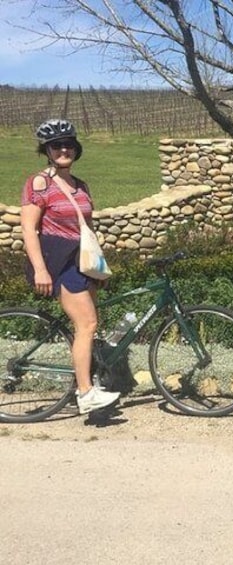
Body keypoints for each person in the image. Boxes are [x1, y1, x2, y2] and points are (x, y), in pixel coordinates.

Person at [20, 118, 120, 415]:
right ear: (46, 151)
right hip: (58, 260)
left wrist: (98, 266)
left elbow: (87, 229)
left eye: (68, 145)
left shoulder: (80, 185)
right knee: (87, 324)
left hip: (82, 261)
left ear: (75, 149)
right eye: (56, 146)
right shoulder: (40, 183)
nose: (63, 150)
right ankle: (86, 393)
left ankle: (88, 381)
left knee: (88, 325)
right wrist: (40, 269)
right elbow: (28, 229)